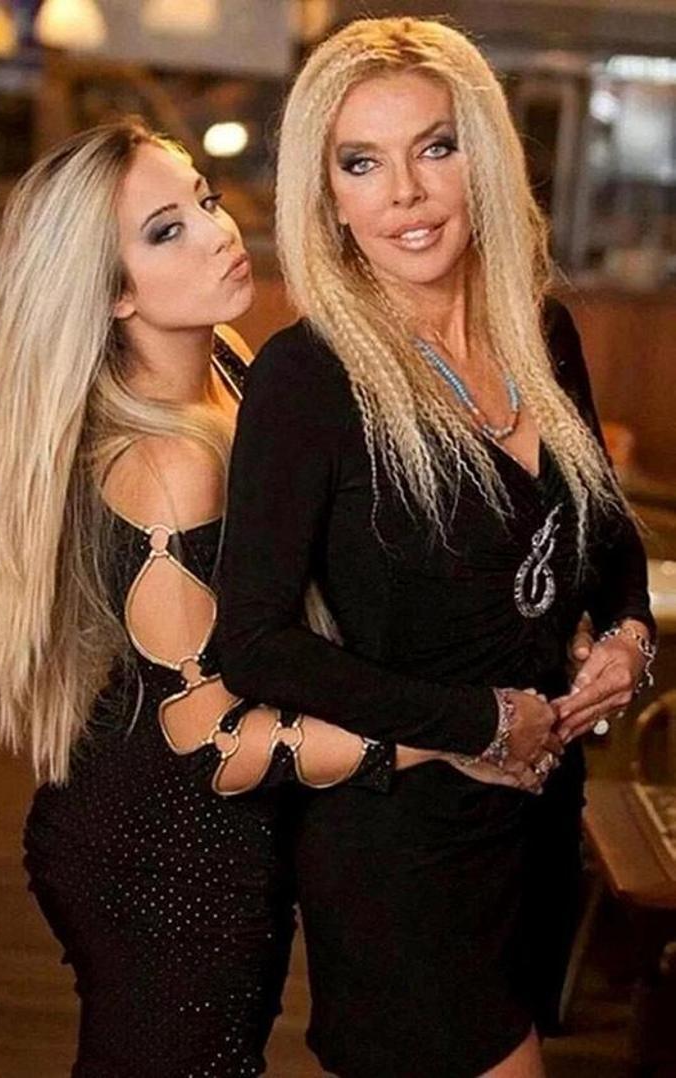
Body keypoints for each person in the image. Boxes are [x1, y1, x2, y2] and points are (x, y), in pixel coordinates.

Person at [217, 17, 656, 1078]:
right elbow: (254, 643)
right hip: (399, 841)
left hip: (538, 822)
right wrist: (480, 721)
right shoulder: (308, 378)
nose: (406, 194)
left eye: (435, 147)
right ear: (328, 196)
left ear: (483, 157)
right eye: (361, 163)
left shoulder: (539, 333)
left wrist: (630, 634)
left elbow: (599, 536)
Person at [0, 119, 438, 1077]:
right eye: (166, 230)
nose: (219, 233)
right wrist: (446, 742)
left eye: (205, 201)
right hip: (165, 856)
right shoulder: (171, 467)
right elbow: (216, 742)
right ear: (115, 293)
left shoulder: (226, 364)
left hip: (190, 835)